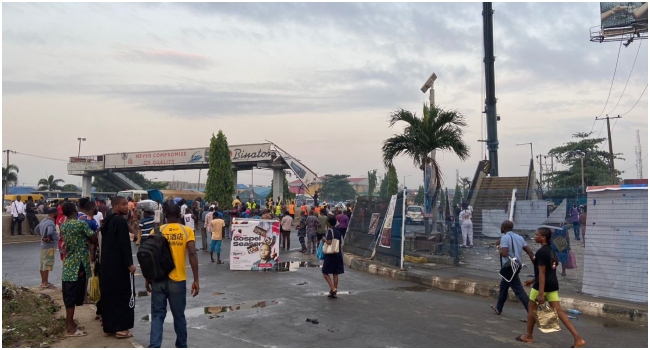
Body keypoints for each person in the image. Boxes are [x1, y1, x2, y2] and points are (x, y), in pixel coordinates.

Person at [516, 227, 585, 348]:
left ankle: (528, 336)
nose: (534, 236)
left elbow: (542, 273)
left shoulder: (541, 252)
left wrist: (541, 293)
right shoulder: (551, 250)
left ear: (543, 238)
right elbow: (550, 268)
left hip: (542, 286)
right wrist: (532, 280)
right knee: (559, 311)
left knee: (532, 308)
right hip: (553, 283)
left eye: (536, 235)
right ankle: (578, 339)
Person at [145, 203, 199, 348]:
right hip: (178, 279)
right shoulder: (187, 231)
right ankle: (181, 345)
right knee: (179, 316)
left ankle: (154, 345)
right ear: (179, 215)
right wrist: (196, 280)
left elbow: (149, 257)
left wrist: (147, 279)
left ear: (166, 216)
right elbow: (193, 254)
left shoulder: (156, 230)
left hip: (158, 279)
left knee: (157, 315)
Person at [100, 196, 136, 338]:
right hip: (119, 266)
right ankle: (121, 328)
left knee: (109, 296)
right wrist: (129, 264)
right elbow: (124, 245)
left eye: (126, 204)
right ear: (115, 206)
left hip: (107, 265)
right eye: (123, 204)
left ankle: (109, 326)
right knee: (122, 295)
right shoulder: (120, 221)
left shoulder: (106, 222)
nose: (126, 207)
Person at [60, 202, 97, 337]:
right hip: (78, 264)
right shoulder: (80, 224)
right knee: (73, 296)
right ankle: (70, 327)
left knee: (68, 294)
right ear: (74, 211)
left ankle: (71, 324)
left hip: (69, 263)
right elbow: (93, 238)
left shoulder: (64, 225)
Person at [490, 220, 535, 316]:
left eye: (501, 226)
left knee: (518, 290)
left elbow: (504, 253)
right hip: (517, 266)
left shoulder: (505, 238)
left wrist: (499, 247)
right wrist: (535, 264)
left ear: (504, 227)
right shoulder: (519, 237)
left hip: (508, 267)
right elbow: (530, 252)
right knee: (504, 287)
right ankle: (498, 308)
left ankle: (531, 312)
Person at [36, 208, 59, 289]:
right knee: (47, 264)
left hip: (43, 246)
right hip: (50, 246)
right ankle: (45, 283)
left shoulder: (43, 221)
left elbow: (36, 229)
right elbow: (49, 232)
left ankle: (43, 281)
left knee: (42, 264)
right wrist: (47, 237)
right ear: (54, 214)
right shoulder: (50, 223)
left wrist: (42, 237)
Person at [322, 217, 344, 298]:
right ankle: (334, 292)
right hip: (338, 253)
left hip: (331, 255)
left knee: (325, 272)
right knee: (335, 273)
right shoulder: (338, 231)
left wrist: (324, 239)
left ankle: (333, 288)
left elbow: (329, 242)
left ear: (329, 224)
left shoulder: (330, 231)